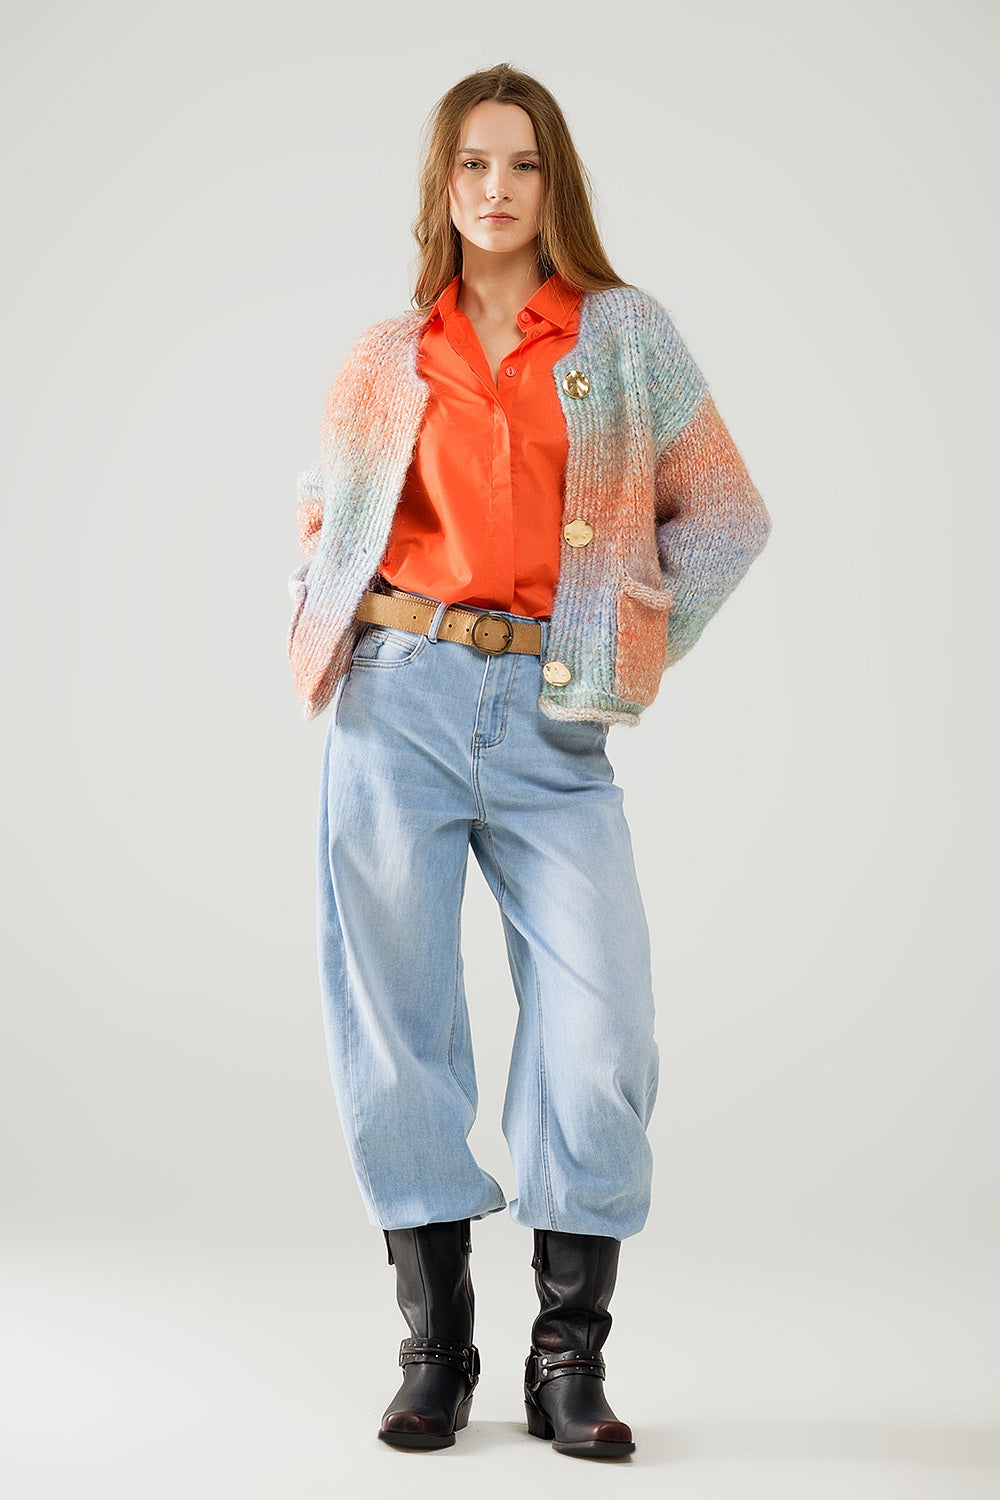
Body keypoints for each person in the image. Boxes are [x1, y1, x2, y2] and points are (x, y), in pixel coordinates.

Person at [287, 62, 771, 1459]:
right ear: (441, 185)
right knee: (395, 1016)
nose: (496, 190)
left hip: (553, 718)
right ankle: (436, 1348)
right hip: (398, 697)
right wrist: (331, 613)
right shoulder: (390, 352)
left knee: (602, 1025)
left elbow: (726, 517)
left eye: (523, 164)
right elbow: (325, 511)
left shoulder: (623, 334)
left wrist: (622, 648)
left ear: (557, 183)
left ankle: (570, 1358)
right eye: (472, 164)